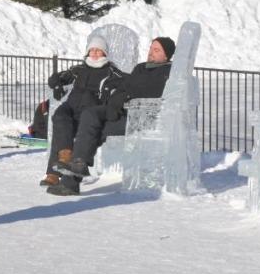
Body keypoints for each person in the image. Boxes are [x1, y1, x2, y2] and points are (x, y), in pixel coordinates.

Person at [48, 36, 175, 196]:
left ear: (167, 55)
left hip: (142, 117)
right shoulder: (141, 68)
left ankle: (71, 182)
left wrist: (124, 96)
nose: (151, 52)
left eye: (156, 50)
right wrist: (115, 103)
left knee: (93, 131)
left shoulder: (168, 71)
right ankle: (78, 165)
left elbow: (147, 90)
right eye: (151, 48)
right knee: (90, 115)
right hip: (124, 110)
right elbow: (125, 88)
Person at [41, 34, 124, 187]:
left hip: (90, 112)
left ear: (105, 53)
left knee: (62, 132)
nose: (94, 53)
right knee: (59, 116)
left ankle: (53, 174)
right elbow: (55, 78)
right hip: (71, 106)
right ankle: (65, 155)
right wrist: (58, 85)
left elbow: (128, 84)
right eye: (92, 50)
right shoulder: (79, 69)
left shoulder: (112, 72)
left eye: (99, 51)